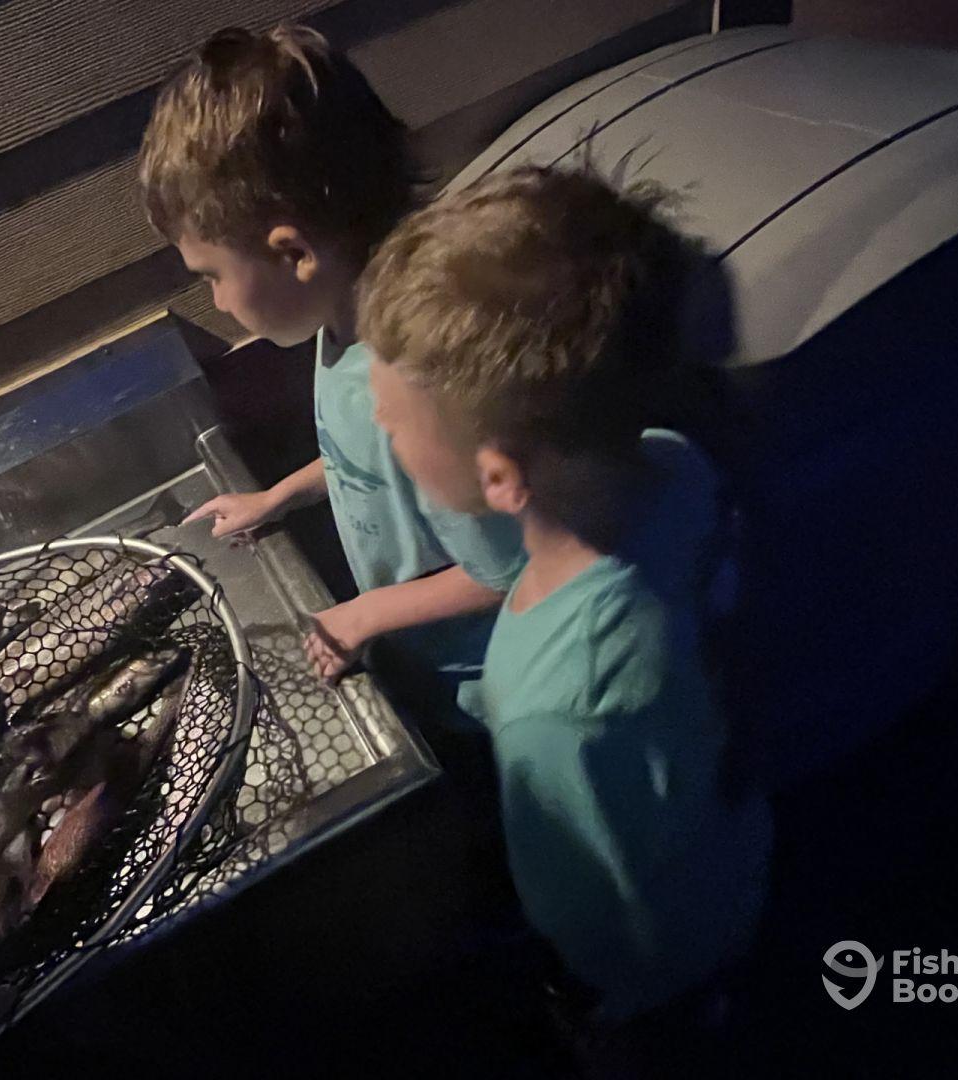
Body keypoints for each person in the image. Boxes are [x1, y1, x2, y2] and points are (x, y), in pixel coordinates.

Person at [357, 165, 773, 1065]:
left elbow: (580, 908)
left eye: (391, 423)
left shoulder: (557, 695)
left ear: (500, 477)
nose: (379, 424)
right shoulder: (672, 459)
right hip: (730, 843)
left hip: (649, 970)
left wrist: (593, 998)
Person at [139, 25, 525, 736]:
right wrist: (279, 496)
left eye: (213, 276)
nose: (217, 302)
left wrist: (364, 614)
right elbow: (371, 464)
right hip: (416, 651)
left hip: (485, 690)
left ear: (294, 253)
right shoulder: (339, 324)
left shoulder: (420, 376)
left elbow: (508, 569)